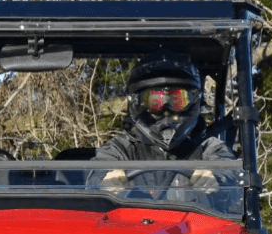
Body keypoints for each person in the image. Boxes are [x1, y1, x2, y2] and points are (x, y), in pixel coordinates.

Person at [95, 50, 235, 195]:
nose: (167, 112)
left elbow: (228, 171)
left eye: (178, 100)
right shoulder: (121, 148)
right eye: (156, 101)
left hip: (192, 218)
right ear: (137, 102)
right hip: (128, 218)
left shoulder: (207, 147)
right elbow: (95, 173)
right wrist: (106, 182)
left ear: (194, 101)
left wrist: (216, 179)